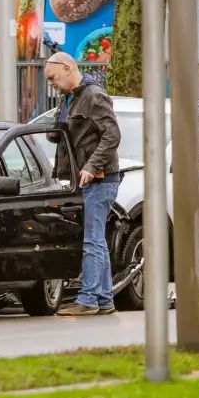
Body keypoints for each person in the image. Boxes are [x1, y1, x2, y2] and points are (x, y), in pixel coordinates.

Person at [43, 52, 122, 316]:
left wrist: (91, 166)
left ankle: (87, 300)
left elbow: (112, 135)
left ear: (67, 68)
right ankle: (104, 300)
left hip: (100, 179)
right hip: (86, 179)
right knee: (96, 239)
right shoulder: (70, 98)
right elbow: (73, 135)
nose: (51, 84)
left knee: (93, 240)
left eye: (53, 78)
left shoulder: (93, 96)